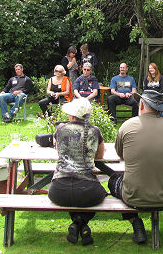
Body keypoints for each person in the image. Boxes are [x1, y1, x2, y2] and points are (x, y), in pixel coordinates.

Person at [106, 90, 163, 246]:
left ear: (141, 105)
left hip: (133, 198)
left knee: (113, 180)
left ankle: (136, 224)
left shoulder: (127, 126)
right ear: (161, 108)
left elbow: (121, 156)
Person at [48, 99, 106, 246]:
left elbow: (59, 152)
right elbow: (99, 157)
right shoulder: (95, 131)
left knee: (74, 197)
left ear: (72, 115)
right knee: (100, 194)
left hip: (58, 191)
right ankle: (81, 221)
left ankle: (76, 223)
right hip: (88, 191)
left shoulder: (60, 129)